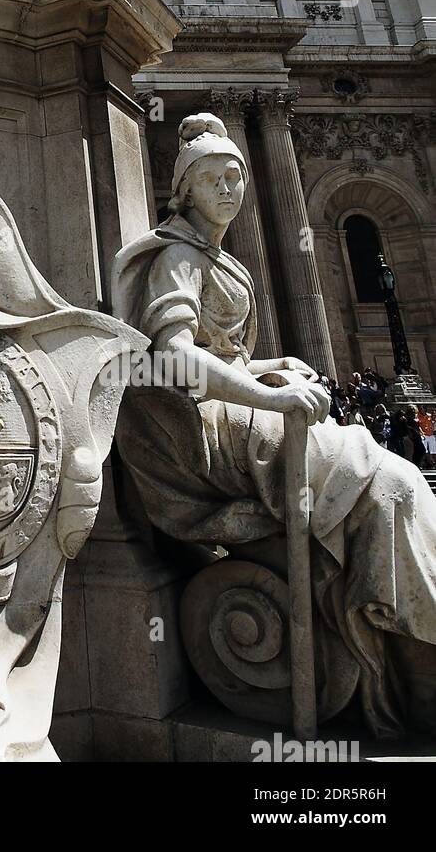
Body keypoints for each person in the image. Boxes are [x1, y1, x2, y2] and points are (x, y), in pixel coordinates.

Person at [113, 113, 436, 738]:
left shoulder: (212, 255)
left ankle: (407, 638)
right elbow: (173, 357)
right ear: (184, 190)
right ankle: (411, 649)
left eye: (235, 177)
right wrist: (271, 398)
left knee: (391, 477)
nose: (230, 190)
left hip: (235, 406)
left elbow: (217, 353)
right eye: (213, 179)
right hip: (205, 428)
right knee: (383, 481)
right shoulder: (178, 255)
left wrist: (267, 367)